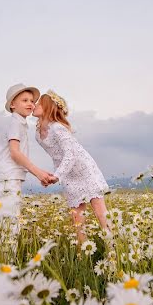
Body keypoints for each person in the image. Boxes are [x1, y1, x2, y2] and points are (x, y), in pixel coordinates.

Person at [33, 89, 109, 242]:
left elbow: (71, 154)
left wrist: (56, 176)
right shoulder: (38, 132)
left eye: (39, 103)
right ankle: (83, 254)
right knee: (76, 216)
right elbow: (57, 156)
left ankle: (115, 249)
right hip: (67, 174)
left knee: (100, 212)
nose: (34, 105)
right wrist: (54, 175)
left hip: (84, 169)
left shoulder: (57, 128)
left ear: (47, 107)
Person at [0, 84, 57, 218]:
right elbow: (15, 153)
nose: (30, 104)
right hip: (7, 179)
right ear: (13, 105)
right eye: (25, 100)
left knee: (9, 223)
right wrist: (38, 173)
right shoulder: (15, 123)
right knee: (9, 224)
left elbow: (19, 155)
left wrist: (41, 172)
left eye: (32, 101)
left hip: (9, 178)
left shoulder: (19, 124)